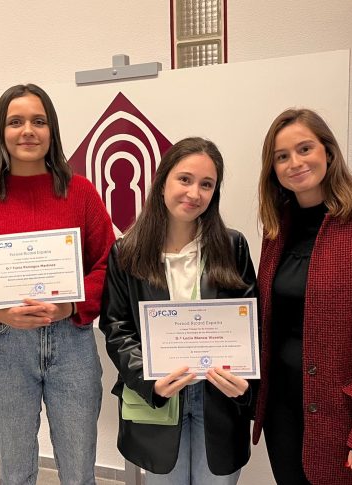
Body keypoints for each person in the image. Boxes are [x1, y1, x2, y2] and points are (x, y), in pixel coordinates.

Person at [0, 83, 115, 485]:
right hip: (6, 347)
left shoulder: (81, 193)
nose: (28, 131)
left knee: (78, 474)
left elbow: (108, 265)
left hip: (71, 343)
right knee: (15, 474)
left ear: (51, 130)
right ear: (0, 132)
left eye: (39, 121)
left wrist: (71, 306)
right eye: (15, 121)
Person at [253, 108, 352, 485]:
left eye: (305, 149)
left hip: (341, 416)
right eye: (282, 156)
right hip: (281, 411)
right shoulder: (276, 234)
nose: (295, 163)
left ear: (329, 153)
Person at [98, 137, 257, 485]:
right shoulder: (126, 252)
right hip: (159, 396)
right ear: (162, 182)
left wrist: (245, 384)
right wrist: (149, 379)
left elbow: (251, 326)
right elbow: (115, 326)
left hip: (218, 398)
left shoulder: (233, 247)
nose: (194, 193)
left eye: (206, 184)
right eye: (184, 179)